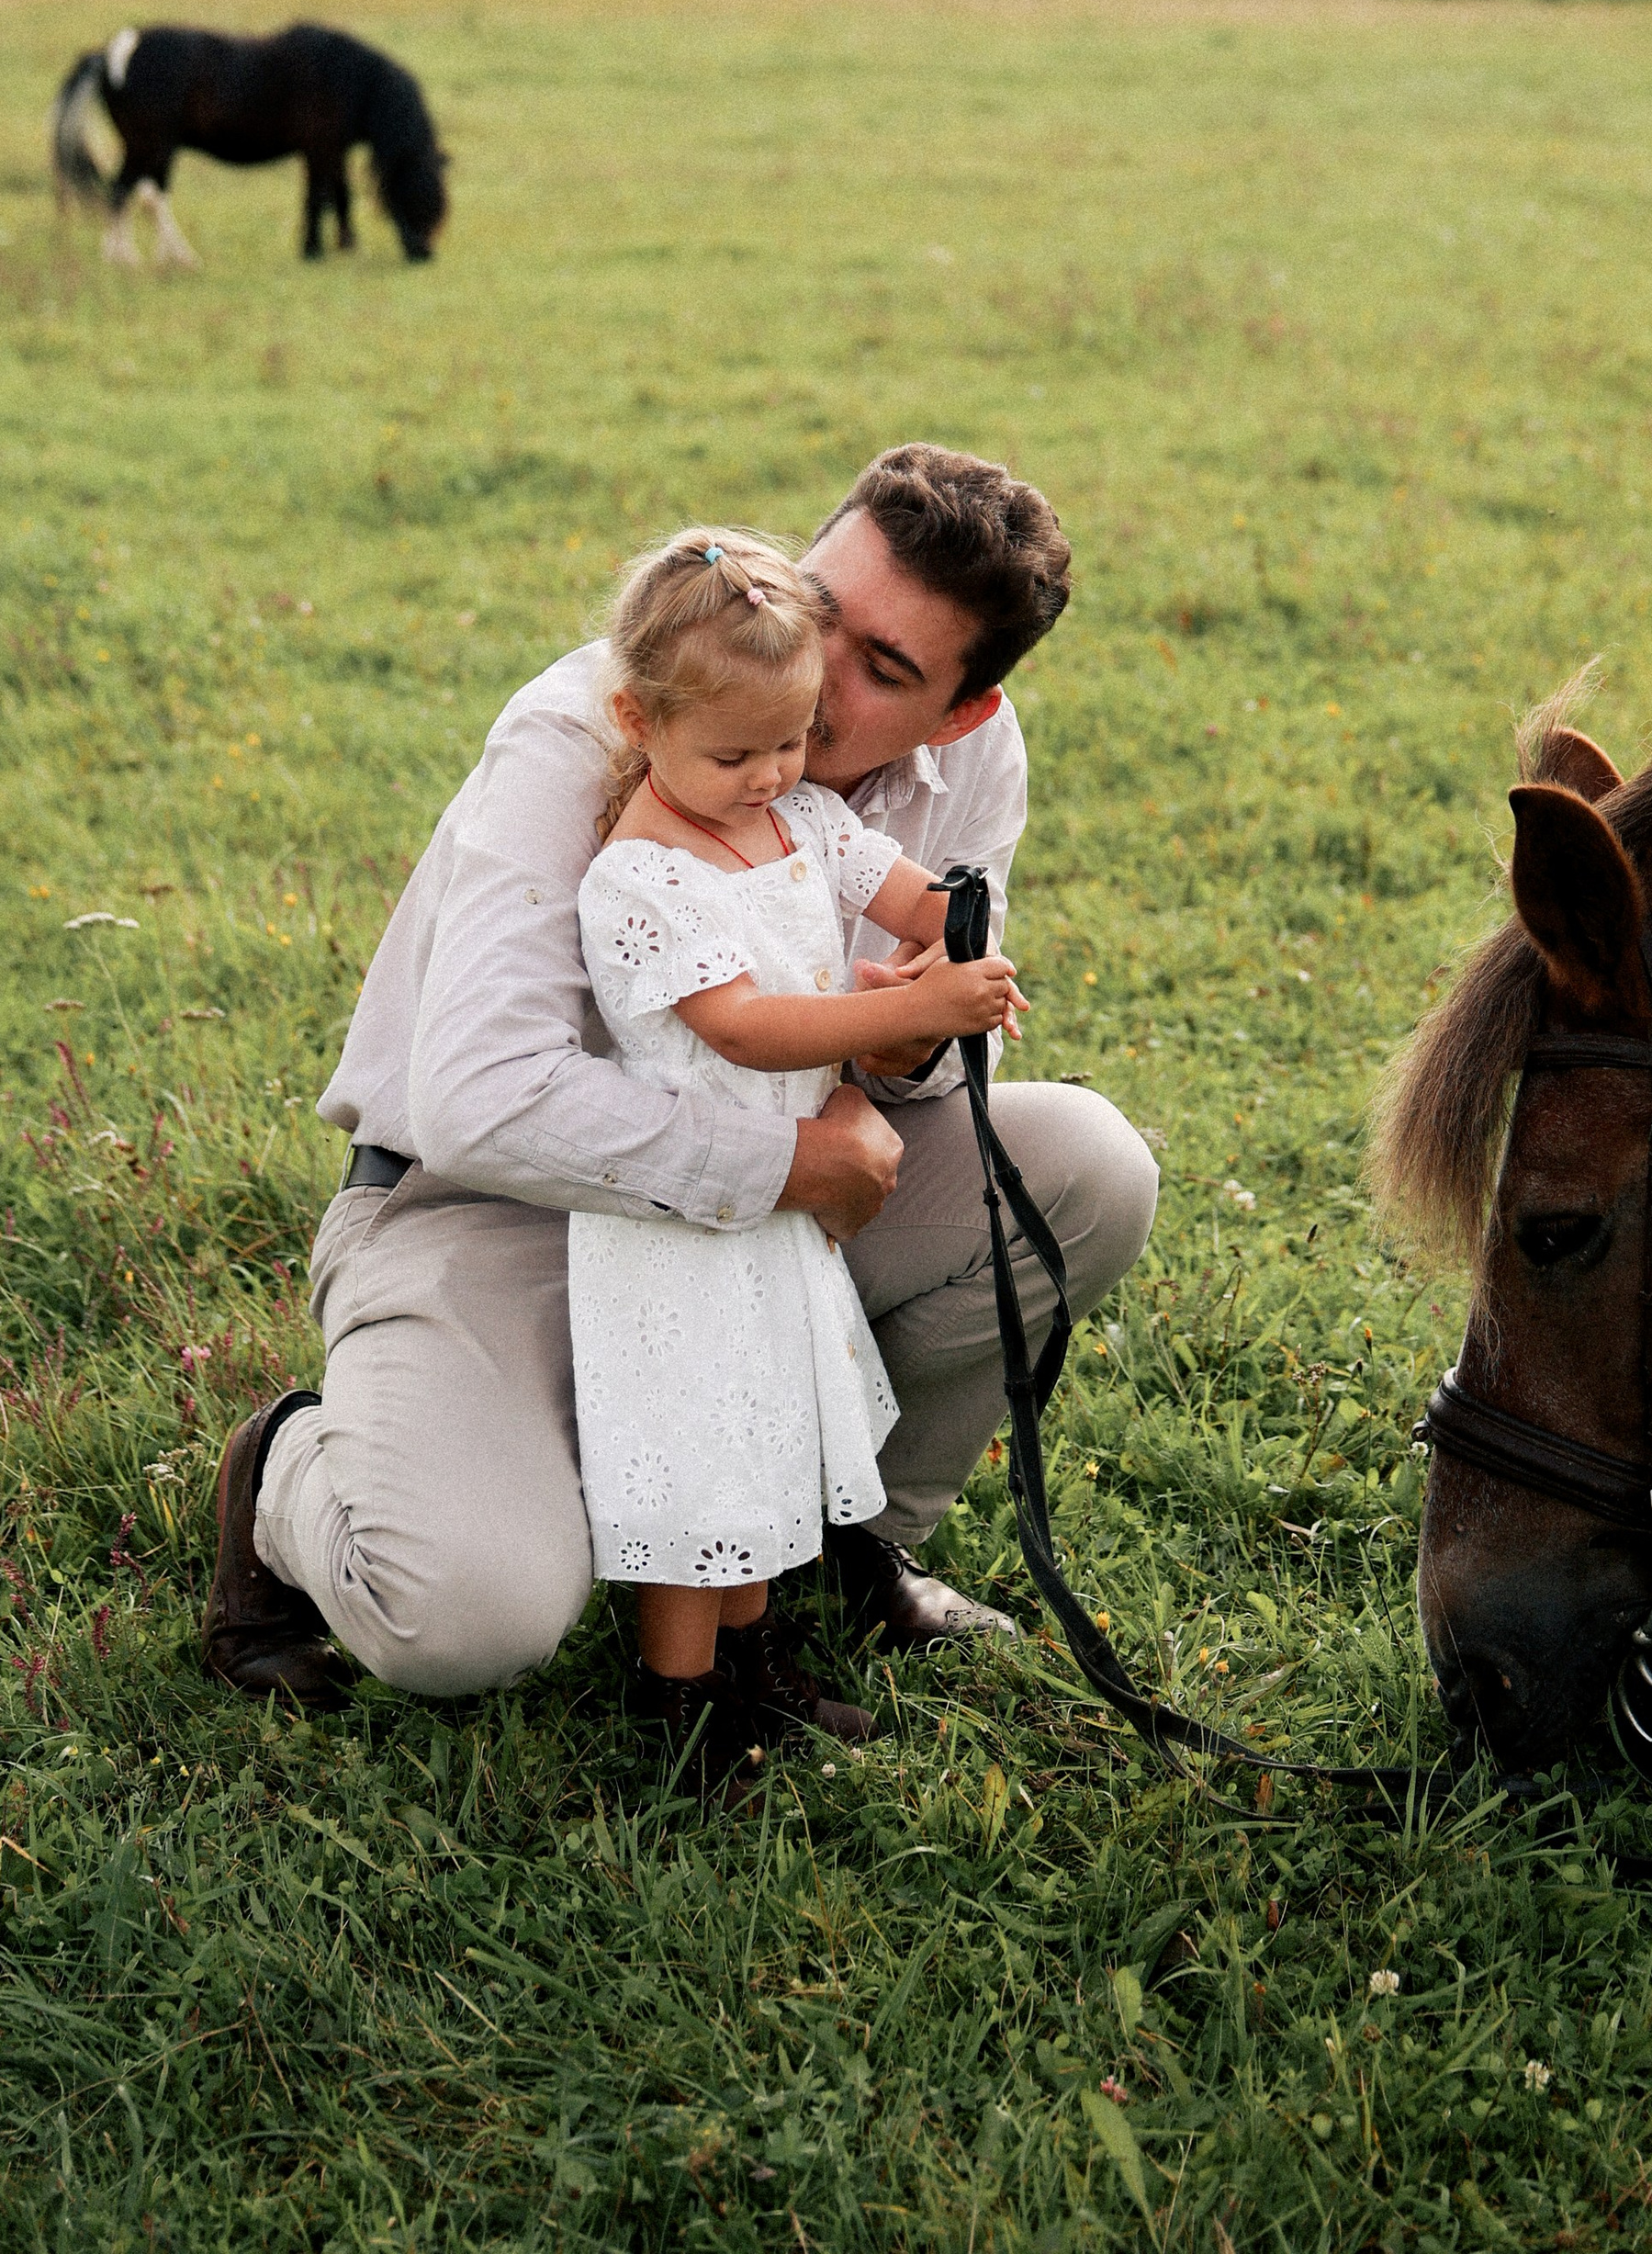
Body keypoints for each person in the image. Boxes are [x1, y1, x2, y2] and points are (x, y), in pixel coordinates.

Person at [202, 444, 1159, 1715]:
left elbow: (928, 1043)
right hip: (493, 1208)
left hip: (766, 1229)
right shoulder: (591, 724)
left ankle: (839, 1539)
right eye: (822, 607)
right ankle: (288, 1470)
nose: (817, 688)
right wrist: (788, 1161)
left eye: (884, 672)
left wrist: (900, 1049)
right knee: (463, 1623)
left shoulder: (974, 761)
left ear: (963, 711)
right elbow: (481, 1097)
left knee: (1090, 1172)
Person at [572, 523, 1026, 1779]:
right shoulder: (639, 880)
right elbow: (751, 1027)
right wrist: (905, 1013)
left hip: (778, 1223)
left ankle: (757, 1671)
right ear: (639, 718)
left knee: (767, 1443)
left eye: (790, 740)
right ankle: (682, 1708)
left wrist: (955, 933)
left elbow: (915, 892)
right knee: (700, 1471)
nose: (771, 773)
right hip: (680, 1234)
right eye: (735, 752)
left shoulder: (805, 820)